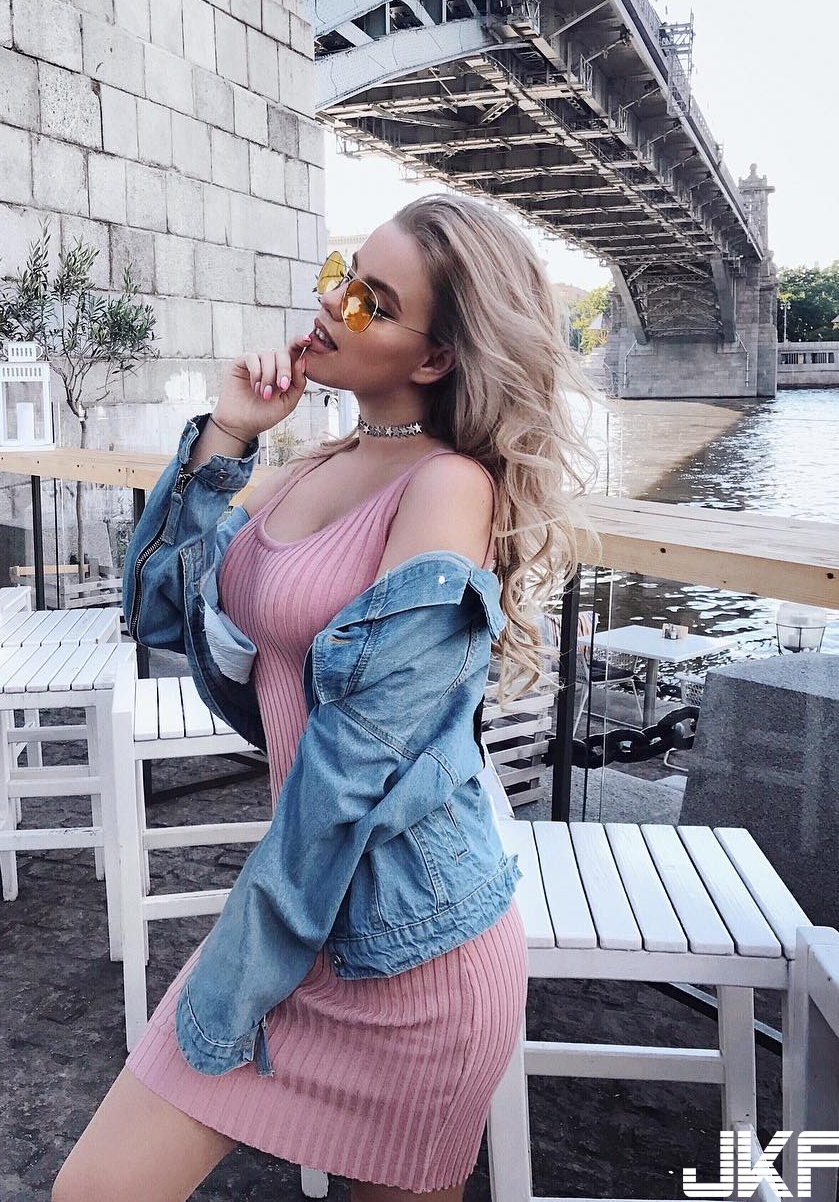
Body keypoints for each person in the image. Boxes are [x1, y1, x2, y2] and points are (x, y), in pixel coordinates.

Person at [53, 194, 598, 1202]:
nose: (332, 304)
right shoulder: (321, 459)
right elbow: (160, 609)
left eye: (371, 302)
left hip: (412, 956)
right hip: (298, 909)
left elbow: (355, 765)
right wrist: (227, 435)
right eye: (342, 276)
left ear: (435, 358)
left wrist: (230, 978)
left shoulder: (449, 488)